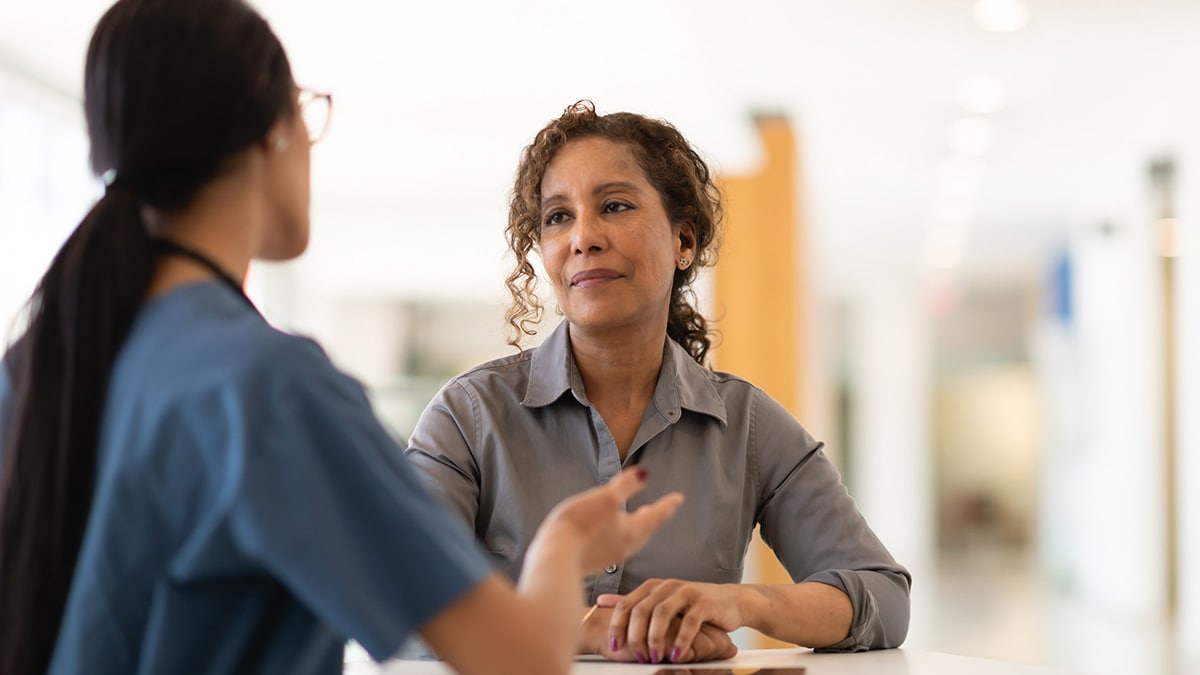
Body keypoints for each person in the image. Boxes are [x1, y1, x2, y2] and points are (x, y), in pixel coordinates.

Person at [0, 5, 684, 675]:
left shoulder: (33, 367)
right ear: (269, 133)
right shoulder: (270, 390)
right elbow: (519, 658)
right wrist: (562, 548)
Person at [403, 101, 912, 665]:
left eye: (614, 206)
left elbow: (882, 597)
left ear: (684, 242)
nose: (584, 237)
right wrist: (589, 631)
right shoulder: (467, 416)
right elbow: (403, 598)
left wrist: (741, 603)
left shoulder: (748, 424)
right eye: (557, 217)